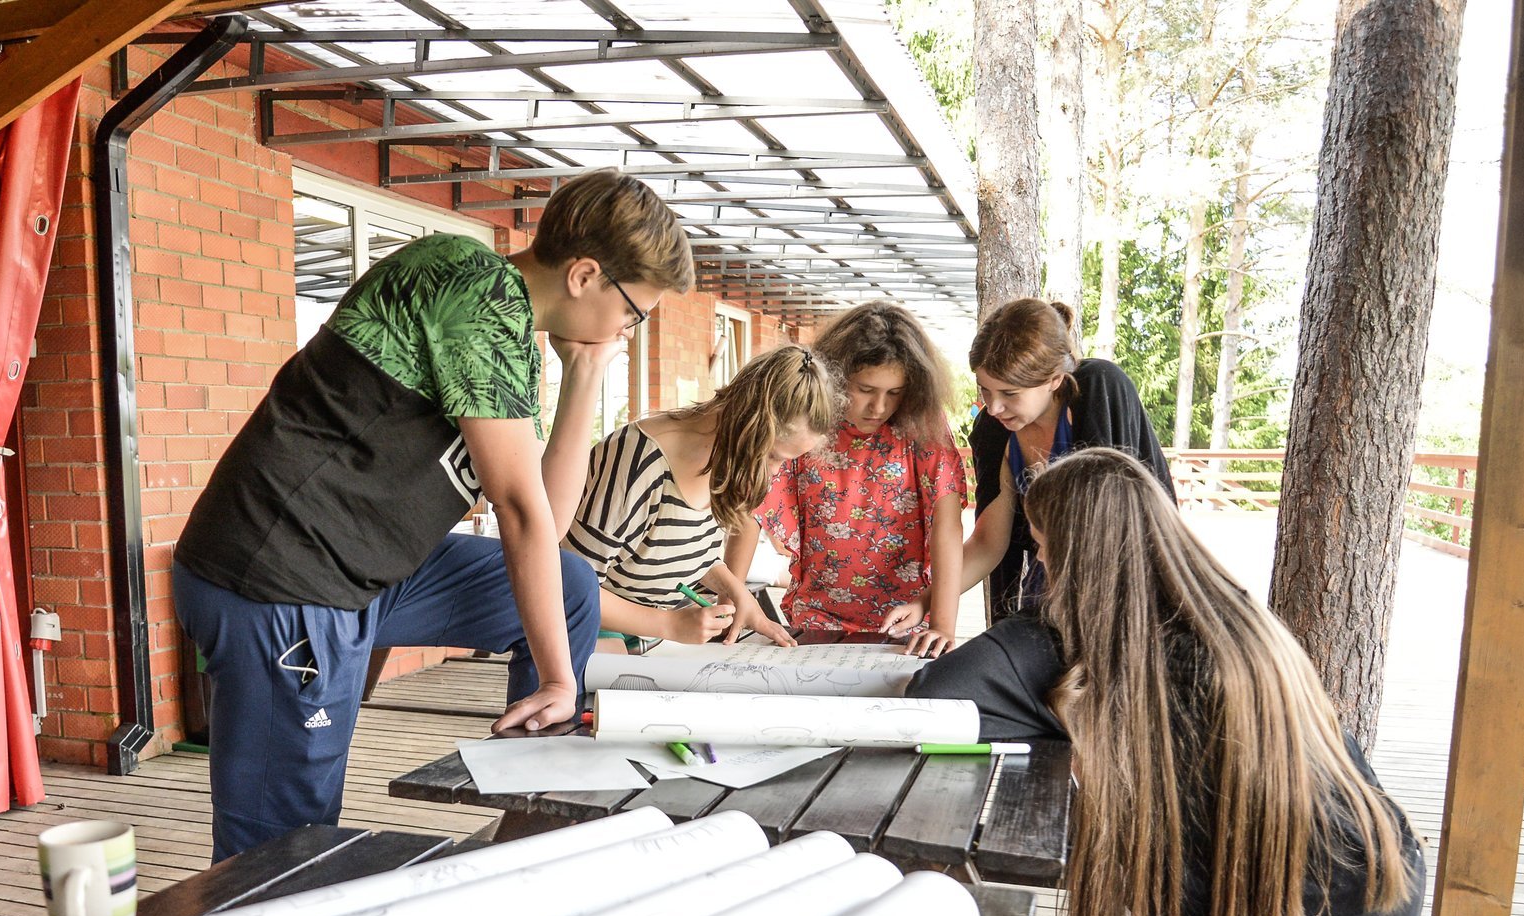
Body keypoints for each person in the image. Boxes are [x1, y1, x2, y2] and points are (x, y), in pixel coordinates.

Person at [908, 448, 1423, 916]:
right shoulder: (1245, 621)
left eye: (1044, 541)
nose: (1039, 557)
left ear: (1075, 548)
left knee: (1268, 868)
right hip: (1387, 904)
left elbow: (931, 702)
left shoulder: (1056, 646)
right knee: (1321, 840)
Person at [173, 169, 694, 861]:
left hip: (366, 570)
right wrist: (560, 677)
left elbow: (547, 514)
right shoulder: (472, 286)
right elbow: (516, 509)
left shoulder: (508, 325)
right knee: (284, 845)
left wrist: (585, 375)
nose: (632, 326)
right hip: (282, 579)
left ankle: (534, 808)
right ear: (585, 275)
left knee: (567, 587)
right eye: (636, 309)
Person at [725, 301, 966, 656]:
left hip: (904, 623)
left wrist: (943, 625)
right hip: (814, 617)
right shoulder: (808, 415)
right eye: (865, 389)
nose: (879, 407)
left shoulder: (922, 424)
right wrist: (729, 599)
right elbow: (752, 505)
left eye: (894, 393)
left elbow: (948, 524)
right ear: (834, 377)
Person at [564, 344, 841, 651]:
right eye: (772, 456)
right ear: (747, 425)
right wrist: (669, 624)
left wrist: (736, 591)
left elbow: (684, 551)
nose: (775, 473)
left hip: (651, 630)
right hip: (585, 627)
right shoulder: (639, 462)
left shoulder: (725, 460)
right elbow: (566, 587)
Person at [960, 298, 1173, 622]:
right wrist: (928, 600)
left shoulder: (1100, 386)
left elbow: (1118, 527)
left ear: (1055, 379)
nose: (993, 407)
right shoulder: (994, 429)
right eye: (986, 390)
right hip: (1047, 597)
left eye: (1010, 394)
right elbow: (988, 544)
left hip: (1127, 591)